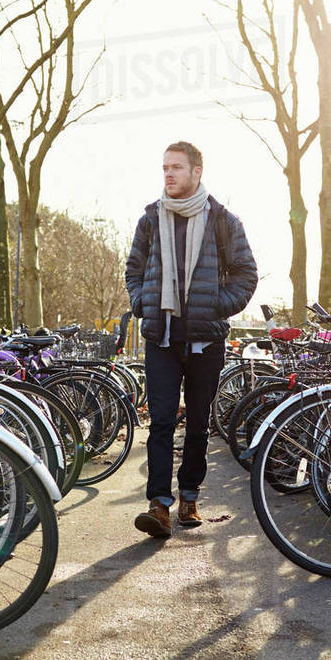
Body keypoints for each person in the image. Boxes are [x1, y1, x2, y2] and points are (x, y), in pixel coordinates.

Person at [124, 141, 258, 538]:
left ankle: (189, 497)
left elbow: (246, 275)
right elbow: (133, 269)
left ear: (197, 172)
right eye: (164, 167)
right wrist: (141, 301)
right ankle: (159, 506)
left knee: (198, 424)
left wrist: (217, 305)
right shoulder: (150, 219)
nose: (168, 174)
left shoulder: (223, 221)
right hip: (161, 340)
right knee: (161, 422)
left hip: (206, 341)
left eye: (176, 168)